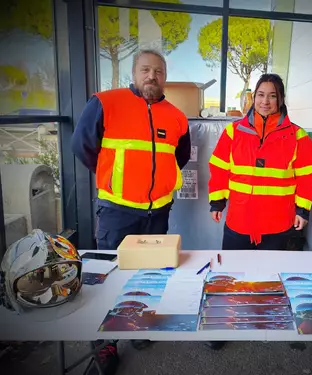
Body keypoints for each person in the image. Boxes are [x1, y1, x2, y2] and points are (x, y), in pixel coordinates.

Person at [71, 49, 191, 374]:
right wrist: (112, 175)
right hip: (116, 211)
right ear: (134, 72)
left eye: (159, 72)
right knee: (109, 277)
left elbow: (178, 157)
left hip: (157, 213)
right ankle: (105, 344)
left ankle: (136, 325)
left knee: (148, 276)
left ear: (165, 77)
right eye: (145, 70)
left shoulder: (177, 117)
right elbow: (81, 145)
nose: (152, 76)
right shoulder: (106, 102)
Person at [206, 73, 312, 350]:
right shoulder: (233, 132)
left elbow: (306, 178)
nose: (265, 101)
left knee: (273, 276)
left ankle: (275, 322)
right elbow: (219, 168)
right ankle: (221, 324)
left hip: (277, 222)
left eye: (272, 95)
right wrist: (217, 201)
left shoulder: (298, 136)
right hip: (239, 220)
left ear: (280, 99)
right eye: (260, 95)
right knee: (229, 274)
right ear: (252, 97)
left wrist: (302, 210)